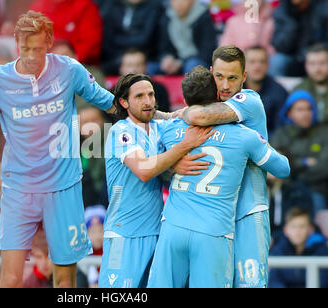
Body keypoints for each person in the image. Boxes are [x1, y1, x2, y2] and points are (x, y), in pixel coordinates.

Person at [0, 11, 117, 288]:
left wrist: (156, 117)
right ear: (16, 43)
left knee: (64, 278)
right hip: (19, 192)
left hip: (63, 190)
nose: (30, 56)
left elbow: (110, 104)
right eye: (24, 48)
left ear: (49, 42)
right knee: (11, 278)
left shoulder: (69, 70)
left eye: (37, 49)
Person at [147, 66, 290, 288]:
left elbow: (150, 168)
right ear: (218, 98)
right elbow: (283, 169)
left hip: (173, 227)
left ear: (185, 100)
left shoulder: (169, 129)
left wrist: (173, 165)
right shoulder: (245, 136)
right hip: (213, 233)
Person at [99, 73, 214, 288]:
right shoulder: (120, 131)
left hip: (157, 232)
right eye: (140, 96)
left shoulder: (160, 129)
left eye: (151, 94)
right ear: (124, 102)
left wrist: (172, 166)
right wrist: (182, 148)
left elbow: (186, 117)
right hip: (124, 235)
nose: (148, 101)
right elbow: (143, 169)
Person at [179, 45, 275, 287]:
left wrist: (162, 114)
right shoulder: (209, 107)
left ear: (244, 77)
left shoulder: (249, 100)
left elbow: (198, 116)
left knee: (249, 284)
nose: (224, 86)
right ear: (211, 73)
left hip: (248, 210)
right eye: (219, 77)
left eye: (232, 78)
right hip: (216, 218)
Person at [271, 89, 328, 215]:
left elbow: (324, 167)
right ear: (289, 113)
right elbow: (276, 165)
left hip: (315, 189)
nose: (306, 113)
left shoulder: (324, 133)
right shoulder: (281, 135)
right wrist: (304, 162)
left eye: (309, 109)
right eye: (300, 109)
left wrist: (294, 167)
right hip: (285, 189)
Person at [99, 0, 166, 75]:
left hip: (146, 55)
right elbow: (108, 39)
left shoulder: (154, 7)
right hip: (116, 56)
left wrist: (119, 41)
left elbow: (144, 39)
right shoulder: (112, 6)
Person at [269, 207, 328, 288]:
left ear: (311, 229)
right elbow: (273, 281)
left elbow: (323, 282)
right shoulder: (277, 251)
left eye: (302, 226)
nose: (298, 231)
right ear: (286, 230)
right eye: (293, 226)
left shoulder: (321, 251)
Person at [269, 0, 328, 77]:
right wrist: (291, 25)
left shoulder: (322, 6)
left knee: (318, 59)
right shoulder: (283, 9)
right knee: (277, 61)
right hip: (290, 55)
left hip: (315, 51)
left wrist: (308, 53)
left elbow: (323, 38)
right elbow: (279, 45)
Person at [159, 0, 217, 75]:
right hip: (176, 61)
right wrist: (167, 58)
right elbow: (164, 47)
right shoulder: (167, 17)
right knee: (152, 67)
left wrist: (180, 63)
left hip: (197, 60)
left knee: (192, 66)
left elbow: (207, 52)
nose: (178, 4)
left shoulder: (203, 16)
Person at [244, 45, 288, 136]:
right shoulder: (233, 90)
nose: (257, 66)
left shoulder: (279, 92)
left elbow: (280, 129)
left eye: (262, 62)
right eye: (252, 62)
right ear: (243, 65)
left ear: (268, 64)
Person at [119, 48, 171, 112]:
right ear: (121, 68)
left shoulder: (159, 90)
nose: (134, 70)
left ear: (146, 67)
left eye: (138, 65)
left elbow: (164, 118)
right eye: (129, 65)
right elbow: (109, 121)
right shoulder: (113, 93)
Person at [293, 44, 328, 124]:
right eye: (312, 64)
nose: (317, 69)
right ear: (306, 66)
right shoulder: (299, 89)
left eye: (322, 63)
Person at [84, 205, 106, 287]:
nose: (97, 236)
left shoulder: (112, 253)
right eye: (93, 232)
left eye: (101, 231)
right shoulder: (82, 256)